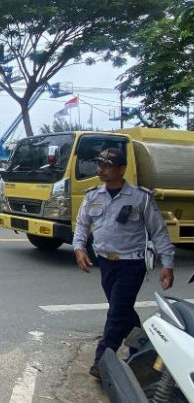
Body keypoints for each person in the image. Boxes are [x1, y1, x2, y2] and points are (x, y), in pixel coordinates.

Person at [73, 147, 175, 380]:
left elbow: (159, 233)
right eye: (100, 165)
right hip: (106, 264)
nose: (101, 169)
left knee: (116, 314)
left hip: (132, 264)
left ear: (122, 169)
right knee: (124, 312)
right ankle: (141, 350)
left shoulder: (141, 198)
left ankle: (102, 361)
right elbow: (81, 225)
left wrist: (167, 264)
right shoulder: (93, 196)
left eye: (107, 166)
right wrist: (79, 249)